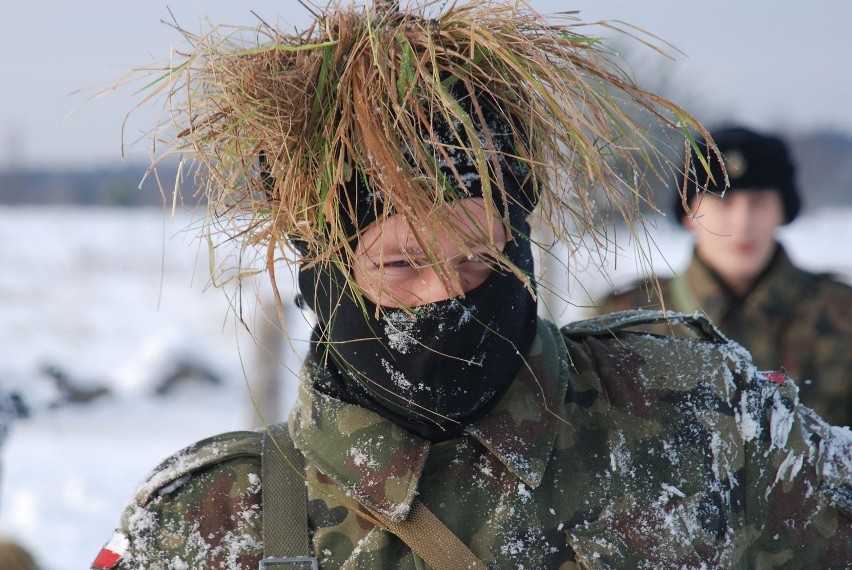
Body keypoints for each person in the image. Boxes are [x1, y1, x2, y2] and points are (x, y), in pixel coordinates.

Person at [92, 2, 851, 568]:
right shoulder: (211, 524)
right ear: (323, 273)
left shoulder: (697, 409)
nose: (444, 295)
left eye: (480, 257)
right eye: (399, 263)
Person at [599, 125, 852, 427]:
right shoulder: (631, 318)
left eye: (758, 201)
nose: (742, 222)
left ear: (783, 211)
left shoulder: (841, 314)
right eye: (722, 201)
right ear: (688, 212)